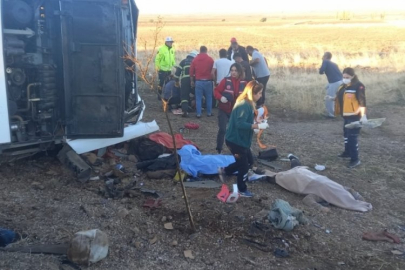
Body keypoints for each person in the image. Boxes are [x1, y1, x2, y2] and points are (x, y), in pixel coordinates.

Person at [218, 81, 269, 197]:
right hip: (235, 140)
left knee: (249, 161)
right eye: (259, 93)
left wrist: (256, 122)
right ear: (252, 93)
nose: (260, 95)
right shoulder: (244, 105)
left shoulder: (249, 104)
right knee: (244, 166)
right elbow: (239, 124)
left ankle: (224, 170)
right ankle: (242, 188)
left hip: (242, 140)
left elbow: (245, 120)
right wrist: (256, 126)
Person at [334, 67, 367, 168]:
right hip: (346, 116)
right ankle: (347, 152)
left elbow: (362, 102)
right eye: (343, 77)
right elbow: (342, 98)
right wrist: (332, 99)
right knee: (346, 136)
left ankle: (355, 159)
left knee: (352, 138)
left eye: (347, 77)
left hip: (355, 117)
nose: (345, 78)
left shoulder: (358, 86)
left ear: (352, 76)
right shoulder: (344, 86)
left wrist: (363, 115)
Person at [214, 63, 247, 154]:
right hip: (224, 110)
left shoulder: (244, 83)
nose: (233, 72)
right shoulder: (225, 81)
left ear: (240, 71)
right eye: (232, 70)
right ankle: (219, 149)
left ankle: (237, 150)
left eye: (235, 70)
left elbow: (249, 96)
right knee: (222, 129)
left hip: (236, 111)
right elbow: (216, 91)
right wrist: (220, 97)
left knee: (236, 130)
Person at [190, 46, 214, 118]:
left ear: (200, 51)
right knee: (209, 97)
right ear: (206, 51)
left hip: (198, 81)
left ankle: (198, 114)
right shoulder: (210, 59)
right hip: (208, 81)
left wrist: (191, 81)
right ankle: (209, 113)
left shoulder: (195, 59)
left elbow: (191, 71)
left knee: (198, 98)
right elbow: (213, 70)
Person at [174, 50, 198, 117]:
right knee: (196, 94)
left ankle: (185, 111)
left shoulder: (183, 61)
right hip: (194, 80)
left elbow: (177, 73)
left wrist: (176, 81)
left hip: (184, 81)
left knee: (184, 96)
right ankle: (197, 109)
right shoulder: (195, 62)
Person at [319, 52, 343, 118]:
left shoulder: (325, 61)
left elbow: (321, 71)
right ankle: (339, 111)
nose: (322, 57)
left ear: (326, 56)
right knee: (329, 91)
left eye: (323, 56)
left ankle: (331, 114)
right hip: (340, 81)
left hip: (334, 82)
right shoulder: (334, 64)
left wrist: (320, 71)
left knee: (328, 98)